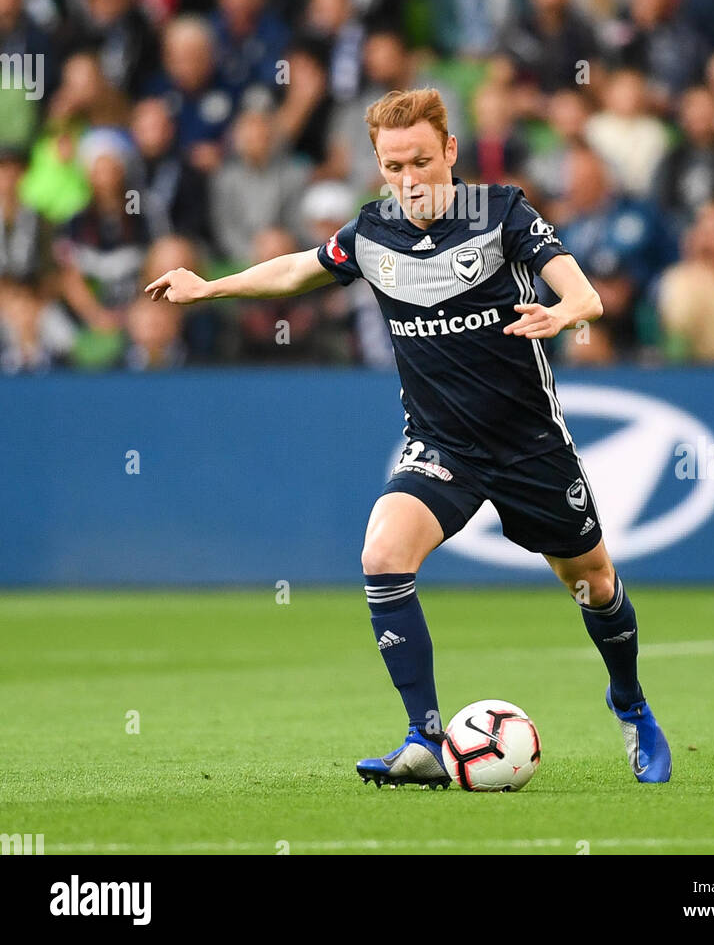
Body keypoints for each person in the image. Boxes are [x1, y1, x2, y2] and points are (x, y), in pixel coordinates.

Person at [145, 87, 672, 786]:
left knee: (593, 583)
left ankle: (631, 706)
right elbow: (299, 268)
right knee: (383, 551)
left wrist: (565, 309)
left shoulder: (502, 213)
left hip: (527, 444)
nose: (410, 179)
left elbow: (584, 292)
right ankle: (423, 739)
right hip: (441, 445)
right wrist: (209, 288)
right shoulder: (372, 233)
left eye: (422, 160)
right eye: (394, 166)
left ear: (451, 152)